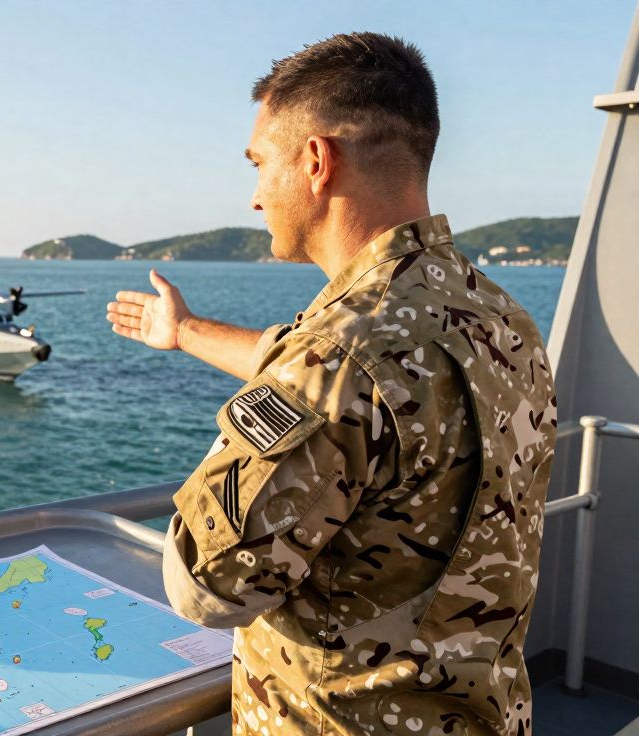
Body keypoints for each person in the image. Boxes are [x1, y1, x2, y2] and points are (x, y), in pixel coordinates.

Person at [107, 33, 556, 735]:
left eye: (259, 164)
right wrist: (186, 330)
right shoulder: (499, 317)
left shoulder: (341, 353)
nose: (255, 197)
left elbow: (205, 585)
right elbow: (347, 378)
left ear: (316, 161)